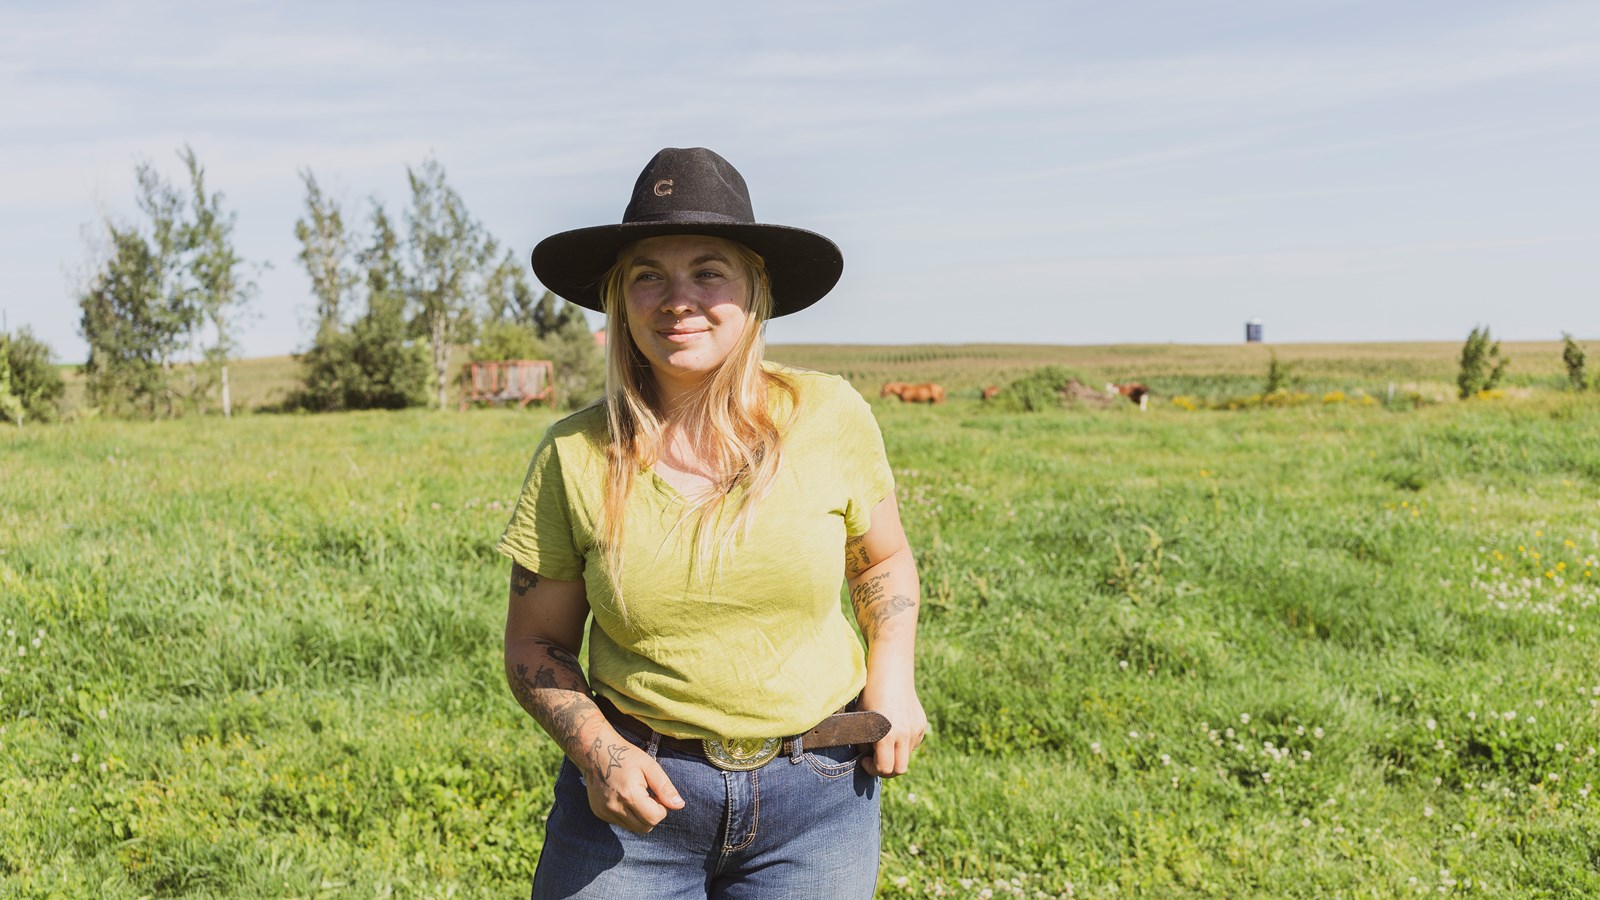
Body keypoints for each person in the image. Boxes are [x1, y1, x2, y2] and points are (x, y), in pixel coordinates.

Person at [497, 147, 927, 898]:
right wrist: (599, 751)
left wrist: (893, 672)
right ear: (618, 298)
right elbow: (535, 642)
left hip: (820, 797)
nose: (676, 299)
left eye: (707, 270)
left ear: (755, 289)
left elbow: (882, 561)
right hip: (634, 807)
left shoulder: (829, 416)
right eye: (647, 275)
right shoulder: (575, 454)